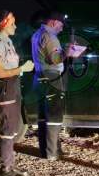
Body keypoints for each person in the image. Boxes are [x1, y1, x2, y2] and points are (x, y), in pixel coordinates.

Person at [0, 10, 34, 176]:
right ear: (5, 23)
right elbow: (0, 72)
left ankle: (11, 165)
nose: (15, 26)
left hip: (13, 87)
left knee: (13, 127)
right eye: (13, 23)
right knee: (7, 128)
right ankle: (6, 170)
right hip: (6, 88)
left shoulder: (7, 42)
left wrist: (20, 69)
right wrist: (22, 68)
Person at [31, 11, 84, 160]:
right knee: (54, 115)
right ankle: (52, 153)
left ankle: (45, 150)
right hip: (52, 77)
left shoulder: (37, 34)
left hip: (39, 77)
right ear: (53, 22)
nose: (61, 29)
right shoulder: (50, 36)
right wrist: (68, 52)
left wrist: (65, 50)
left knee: (43, 117)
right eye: (61, 25)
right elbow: (55, 59)